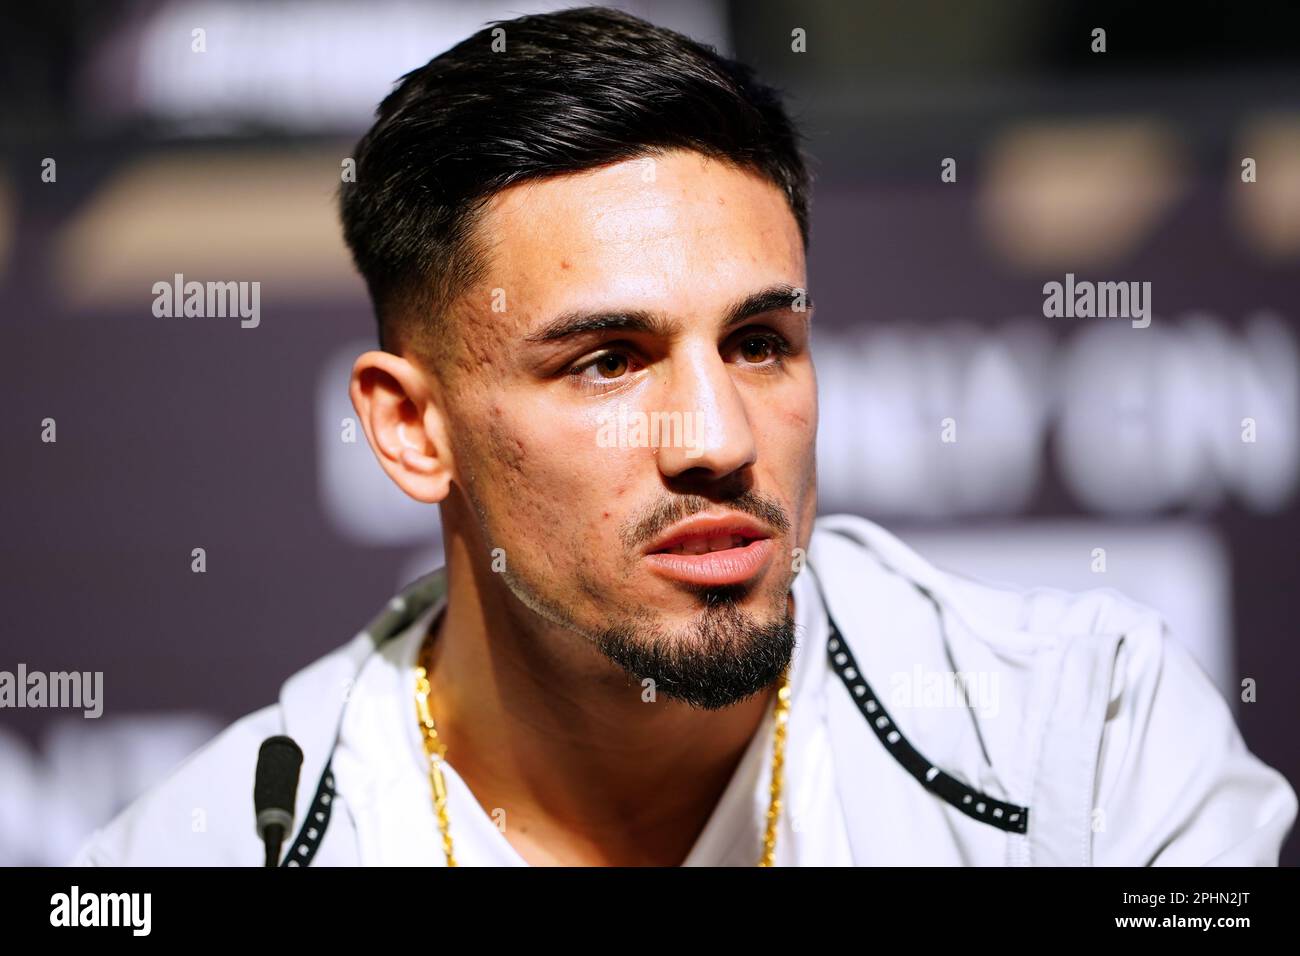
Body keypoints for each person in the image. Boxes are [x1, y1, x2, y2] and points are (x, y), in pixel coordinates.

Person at [74, 6, 1295, 867]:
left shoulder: (1086, 741)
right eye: (607, 359)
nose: (715, 437)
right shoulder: (200, 851)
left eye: (760, 341)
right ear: (411, 427)